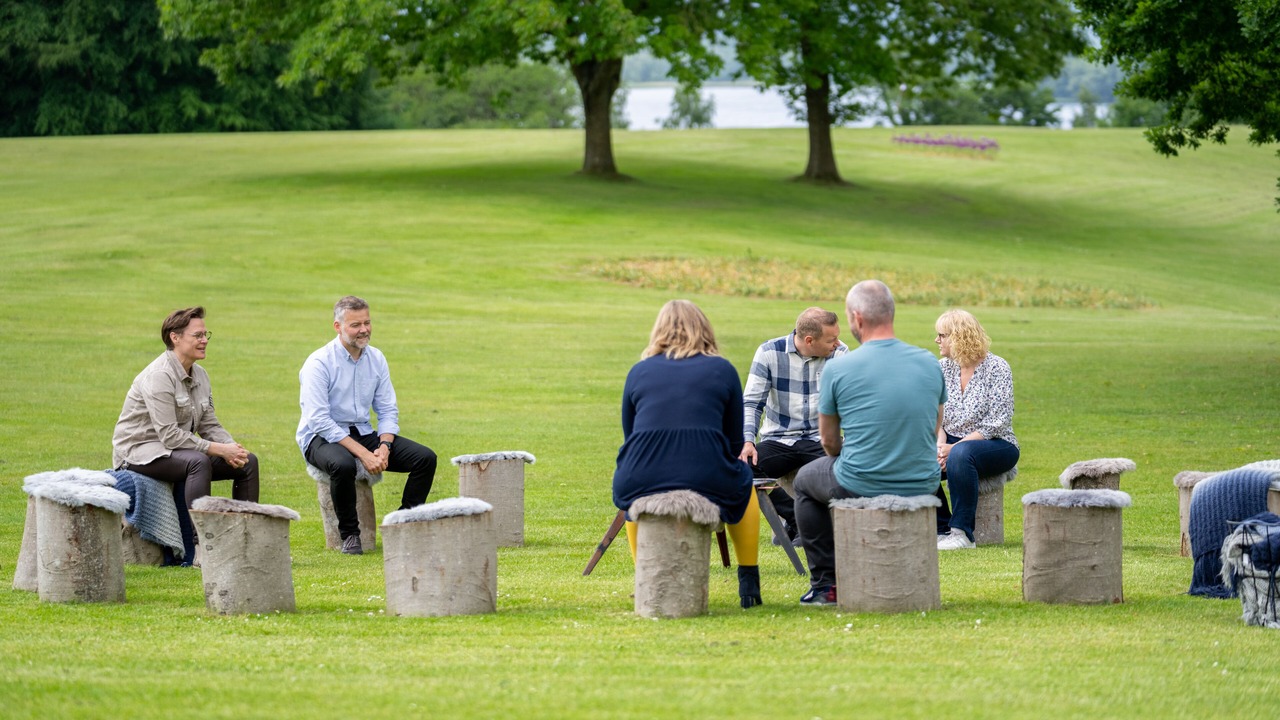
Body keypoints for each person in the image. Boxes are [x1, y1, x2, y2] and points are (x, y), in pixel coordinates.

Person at [793, 280, 945, 605]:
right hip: (923, 479)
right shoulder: (929, 362)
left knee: (806, 481)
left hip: (862, 479)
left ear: (857, 319)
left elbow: (829, 441)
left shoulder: (839, 368)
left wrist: (851, 452)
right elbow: (933, 427)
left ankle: (825, 584)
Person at [612, 300, 762, 608]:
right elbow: (736, 443)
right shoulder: (723, 369)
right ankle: (749, 580)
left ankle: (644, 575)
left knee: (633, 497)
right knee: (745, 482)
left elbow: (631, 435)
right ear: (704, 328)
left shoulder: (639, 371)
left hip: (641, 474)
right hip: (705, 475)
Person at [112, 306, 258, 564]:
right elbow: (169, 435)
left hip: (176, 451)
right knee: (197, 462)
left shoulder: (200, 374)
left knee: (249, 462)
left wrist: (231, 448)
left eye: (206, 335)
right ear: (175, 337)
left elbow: (209, 423)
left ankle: (246, 542)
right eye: (198, 335)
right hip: (139, 452)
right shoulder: (159, 376)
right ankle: (200, 547)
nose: (204, 341)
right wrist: (217, 449)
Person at [296, 296, 438, 555]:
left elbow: (386, 409)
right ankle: (350, 535)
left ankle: (404, 522)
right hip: (319, 438)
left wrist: (384, 446)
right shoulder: (318, 363)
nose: (364, 329)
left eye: (367, 322)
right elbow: (319, 420)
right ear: (338, 327)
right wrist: (363, 454)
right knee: (343, 464)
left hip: (362, 432)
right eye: (355, 325)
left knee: (425, 459)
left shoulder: (376, 358)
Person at [741, 307, 848, 544]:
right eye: (831, 339)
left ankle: (813, 528)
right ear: (809, 340)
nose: (838, 343)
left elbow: (853, 404)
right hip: (778, 439)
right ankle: (796, 519)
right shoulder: (769, 352)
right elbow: (751, 403)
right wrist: (748, 441)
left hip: (819, 440)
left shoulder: (840, 355)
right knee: (741, 465)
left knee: (850, 467)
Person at [934, 309, 1020, 550]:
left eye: (942, 335)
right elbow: (937, 417)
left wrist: (954, 448)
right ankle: (941, 530)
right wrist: (941, 447)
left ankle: (962, 534)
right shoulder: (942, 368)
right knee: (916, 459)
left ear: (959, 337)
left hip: (995, 443)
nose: (937, 340)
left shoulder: (997, 367)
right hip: (951, 440)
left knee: (962, 455)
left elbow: (998, 422)